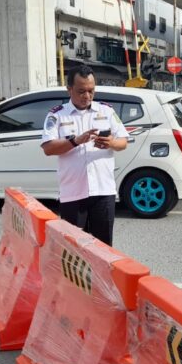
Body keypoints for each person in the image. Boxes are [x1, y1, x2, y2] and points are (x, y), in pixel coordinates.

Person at [40, 65, 128, 246]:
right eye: (81, 91)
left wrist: (111, 143)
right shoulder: (57, 115)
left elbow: (123, 142)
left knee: (103, 249)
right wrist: (76, 141)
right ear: (69, 89)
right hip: (73, 194)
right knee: (74, 250)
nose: (87, 96)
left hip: (103, 192)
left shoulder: (106, 111)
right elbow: (48, 148)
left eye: (91, 91)